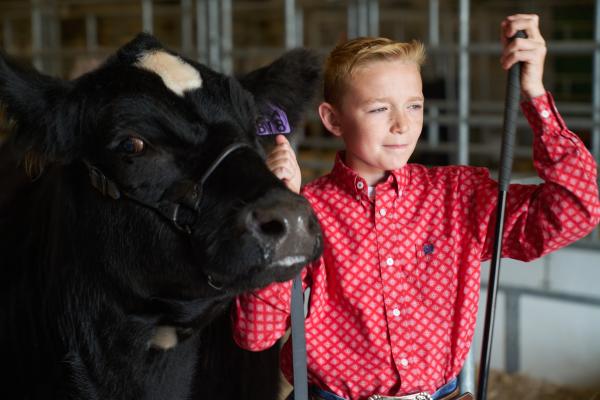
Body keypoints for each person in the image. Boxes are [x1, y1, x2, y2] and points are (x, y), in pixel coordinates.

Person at [233, 14, 600, 400]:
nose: (402, 125)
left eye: (414, 106)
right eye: (379, 109)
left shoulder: (458, 196)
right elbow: (255, 336)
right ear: (333, 119)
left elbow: (576, 209)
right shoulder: (309, 211)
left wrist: (535, 95)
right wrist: (278, 215)